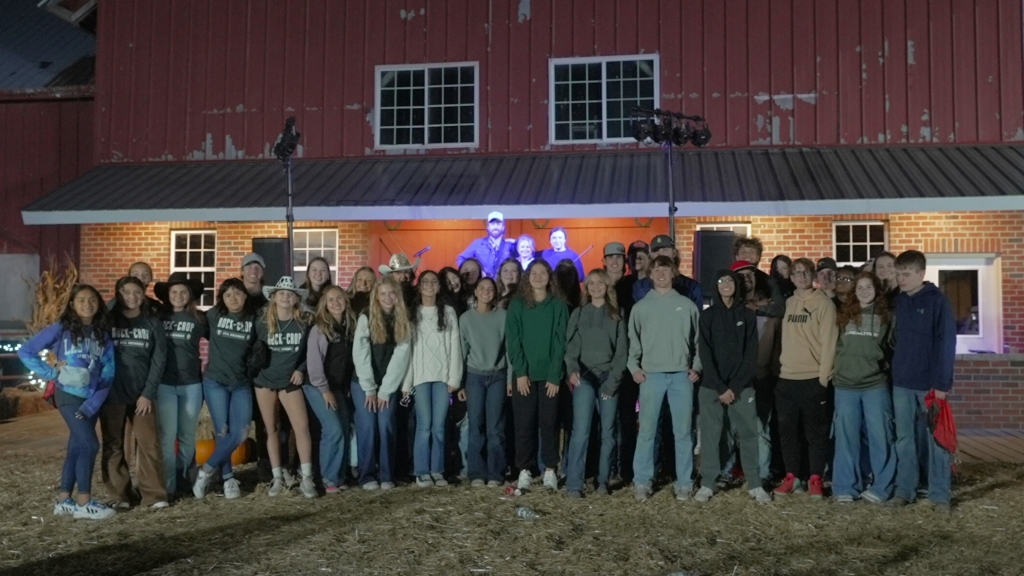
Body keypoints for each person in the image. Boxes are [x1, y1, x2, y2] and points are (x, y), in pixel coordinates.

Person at [19, 284, 116, 520]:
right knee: (90, 445)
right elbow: (26, 351)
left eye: (92, 300)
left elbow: (108, 372)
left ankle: (64, 501)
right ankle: (84, 503)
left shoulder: (102, 334)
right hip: (68, 395)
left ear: (98, 305)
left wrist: (93, 403)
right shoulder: (61, 329)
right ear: (72, 304)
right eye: (81, 300)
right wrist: (51, 373)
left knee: (76, 447)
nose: (87, 304)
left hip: (90, 399)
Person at [627, 255, 702, 501]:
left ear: (673, 273)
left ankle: (684, 482)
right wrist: (634, 368)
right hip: (651, 376)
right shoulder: (641, 308)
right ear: (650, 274)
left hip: (681, 375)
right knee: (647, 430)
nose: (660, 274)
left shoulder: (687, 306)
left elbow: (698, 342)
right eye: (656, 269)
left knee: (683, 432)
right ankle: (642, 481)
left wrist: (696, 366)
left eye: (665, 269)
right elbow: (632, 343)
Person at [888, 250, 957, 514]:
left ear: (920, 273)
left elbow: (946, 342)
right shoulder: (898, 302)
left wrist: (942, 383)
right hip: (902, 382)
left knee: (936, 440)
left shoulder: (937, 301)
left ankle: (940, 494)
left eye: (906, 274)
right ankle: (905, 489)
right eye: (898, 274)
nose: (901, 279)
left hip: (929, 385)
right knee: (905, 439)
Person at [696, 269, 770, 503]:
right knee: (711, 436)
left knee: (749, 434)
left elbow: (751, 355)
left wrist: (735, 387)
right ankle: (708, 482)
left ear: (736, 286)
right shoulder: (707, 317)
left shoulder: (747, 316)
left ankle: (755, 484)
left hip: (741, 387)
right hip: (712, 387)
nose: (726, 284)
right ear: (715, 286)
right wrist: (720, 388)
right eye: (721, 281)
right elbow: (705, 354)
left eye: (730, 280)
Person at [101, 276, 168, 509]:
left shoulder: (152, 323)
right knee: (113, 444)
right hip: (112, 394)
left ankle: (154, 495)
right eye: (127, 292)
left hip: (143, 395)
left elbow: (159, 360)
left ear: (143, 294)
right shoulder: (108, 322)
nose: (132, 297)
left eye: (137, 292)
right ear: (119, 294)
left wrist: (148, 393)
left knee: (149, 444)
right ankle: (118, 495)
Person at [774, 258, 838, 499]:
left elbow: (829, 343)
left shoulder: (824, 304)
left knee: (815, 434)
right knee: (788, 432)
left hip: (812, 378)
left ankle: (815, 478)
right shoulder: (788, 303)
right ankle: (792, 476)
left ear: (812, 276)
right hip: (787, 378)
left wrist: (823, 378)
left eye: (805, 273)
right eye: (796, 273)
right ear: (791, 277)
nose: (801, 277)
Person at [832, 272, 897, 505]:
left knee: (881, 437)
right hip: (845, 385)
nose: (864, 291)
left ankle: (882, 487)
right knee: (846, 439)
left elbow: (892, 347)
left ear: (876, 289)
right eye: (859, 287)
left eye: (868, 286)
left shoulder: (886, 316)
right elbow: (836, 346)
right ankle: (846, 487)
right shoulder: (844, 315)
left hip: (874, 385)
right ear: (854, 291)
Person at [506, 259, 568, 491]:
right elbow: (513, 341)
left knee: (549, 424)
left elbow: (560, 342)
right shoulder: (518, 305)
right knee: (524, 424)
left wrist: (555, 375)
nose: (539, 276)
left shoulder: (558, 305)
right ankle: (524, 470)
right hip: (525, 377)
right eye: (534, 272)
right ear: (527, 276)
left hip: (549, 377)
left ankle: (550, 469)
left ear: (549, 277)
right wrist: (520, 372)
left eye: (543, 272)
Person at [563, 270, 627, 498]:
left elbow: (622, 352)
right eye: (592, 283)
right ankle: (574, 484)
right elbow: (570, 348)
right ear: (586, 287)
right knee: (580, 430)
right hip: (585, 376)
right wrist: (572, 370)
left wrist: (612, 383)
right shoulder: (579, 314)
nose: (596, 286)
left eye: (601, 282)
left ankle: (603, 482)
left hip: (608, 377)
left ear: (607, 286)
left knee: (608, 432)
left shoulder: (617, 314)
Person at [253, 277, 317, 498]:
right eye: (281, 293)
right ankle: (277, 476)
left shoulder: (304, 323)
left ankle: (307, 477)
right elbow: (252, 349)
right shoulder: (261, 323)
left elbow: (311, 352)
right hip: (265, 381)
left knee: (301, 427)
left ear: (297, 299)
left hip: (290, 381)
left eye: (290, 293)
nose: (286, 296)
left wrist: (301, 369)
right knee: (270, 429)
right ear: (273, 297)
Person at [193, 278, 256, 500]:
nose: (233, 298)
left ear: (245, 296)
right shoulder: (213, 316)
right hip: (215, 381)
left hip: (241, 383)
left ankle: (205, 471)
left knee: (241, 432)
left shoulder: (254, 318)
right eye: (228, 294)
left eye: (237, 293)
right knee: (222, 432)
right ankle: (229, 479)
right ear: (222, 298)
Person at [403, 270, 463, 487]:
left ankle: (437, 470)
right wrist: (406, 382)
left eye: (433, 282)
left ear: (439, 287)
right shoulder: (412, 314)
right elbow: (407, 350)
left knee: (439, 426)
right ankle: (421, 470)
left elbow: (455, 346)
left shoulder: (447, 313)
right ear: (419, 287)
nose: (429, 285)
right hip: (420, 377)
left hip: (442, 377)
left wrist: (454, 377)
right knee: (423, 425)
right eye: (425, 282)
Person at [352, 276, 413, 490]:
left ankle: (387, 475)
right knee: (368, 426)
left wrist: (385, 391)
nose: (387, 297)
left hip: (388, 385)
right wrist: (369, 388)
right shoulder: (366, 318)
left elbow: (401, 357)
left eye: (391, 293)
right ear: (376, 297)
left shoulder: (403, 320)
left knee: (386, 424)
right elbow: (360, 355)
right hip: (363, 381)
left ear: (398, 296)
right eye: (383, 293)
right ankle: (367, 475)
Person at [154, 273, 208, 497]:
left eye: (183, 292)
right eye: (174, 291)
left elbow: (223, 343)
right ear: (168, 295)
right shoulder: (159, 317)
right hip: (165, 383)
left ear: (190, 295)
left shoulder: (199, 319)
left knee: (187, 435)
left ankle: (184, 478)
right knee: (167, 437)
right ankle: (168, 485)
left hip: (191, 384)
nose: (178, 295)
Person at [305, 285, 357, 494]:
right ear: (324, 306)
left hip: (338, 387)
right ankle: (327, 479)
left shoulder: (348, 327)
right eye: (330, 300)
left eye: (339, 298)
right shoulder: (320, 328)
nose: (336, 303)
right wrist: (324, 389)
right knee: (332, 429)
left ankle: (338, 475)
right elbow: (314, 363)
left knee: (343, 429)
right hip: (317, 385)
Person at [461, 278, 511, 487]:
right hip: (474, 376)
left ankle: (495, 473)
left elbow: (509, 350)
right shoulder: (465, 319)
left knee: (496, 427)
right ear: (475, 291)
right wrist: (461, 382)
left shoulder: (503, 317)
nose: (486, 292)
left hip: (497, 375)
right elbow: (462, 352)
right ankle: (476, 473)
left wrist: (509, 379)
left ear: (495, 293)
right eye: (482, 288)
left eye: (490, 289)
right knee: (476, 425)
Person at [632, 235, 703, 308]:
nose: (660, 254)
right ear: (651, 255)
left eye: (665, 249)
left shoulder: (692, 288)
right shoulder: (640, 287)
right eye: (656, 250)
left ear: (674, 253)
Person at [456, 211, 517, 279]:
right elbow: (461, 259)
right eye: (492, 224)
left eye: (498, 224)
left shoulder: (510, 245)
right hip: (483, 284)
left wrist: (518, 243)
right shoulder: (478, 243)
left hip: (503, 285)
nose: (495, 227)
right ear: (488, 227)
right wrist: (473, 272)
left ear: (503, 227)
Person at [734, 237, 785, 318]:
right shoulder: (729, 279)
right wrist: (755, 302)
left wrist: (756, 308)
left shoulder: (768, 280)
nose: (747, 255)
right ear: (737, 257)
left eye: (751, 251)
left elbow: (780, 309)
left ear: (759, 256)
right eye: (743, 252)